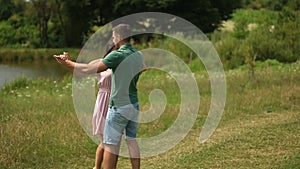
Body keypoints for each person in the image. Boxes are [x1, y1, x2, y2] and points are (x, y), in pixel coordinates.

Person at [54, 24, 144, 169]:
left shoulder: (117, 55)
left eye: (114, 36)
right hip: (133, 105)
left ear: (119, 37)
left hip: (118, 107)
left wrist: (67, 62)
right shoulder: (138, 55)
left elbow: (89, 69)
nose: (113, 39)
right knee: (131, 140)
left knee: (110, 145)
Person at [54, 39, 118, 169]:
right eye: (116, 49)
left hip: (116, 101)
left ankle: (97, 167)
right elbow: (80, 73)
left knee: (109, 141)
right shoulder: (100, 62)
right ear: (110, 50)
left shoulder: (121, 61)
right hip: (103, 100)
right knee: (105, 141)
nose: (119, 51)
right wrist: (66, 62)